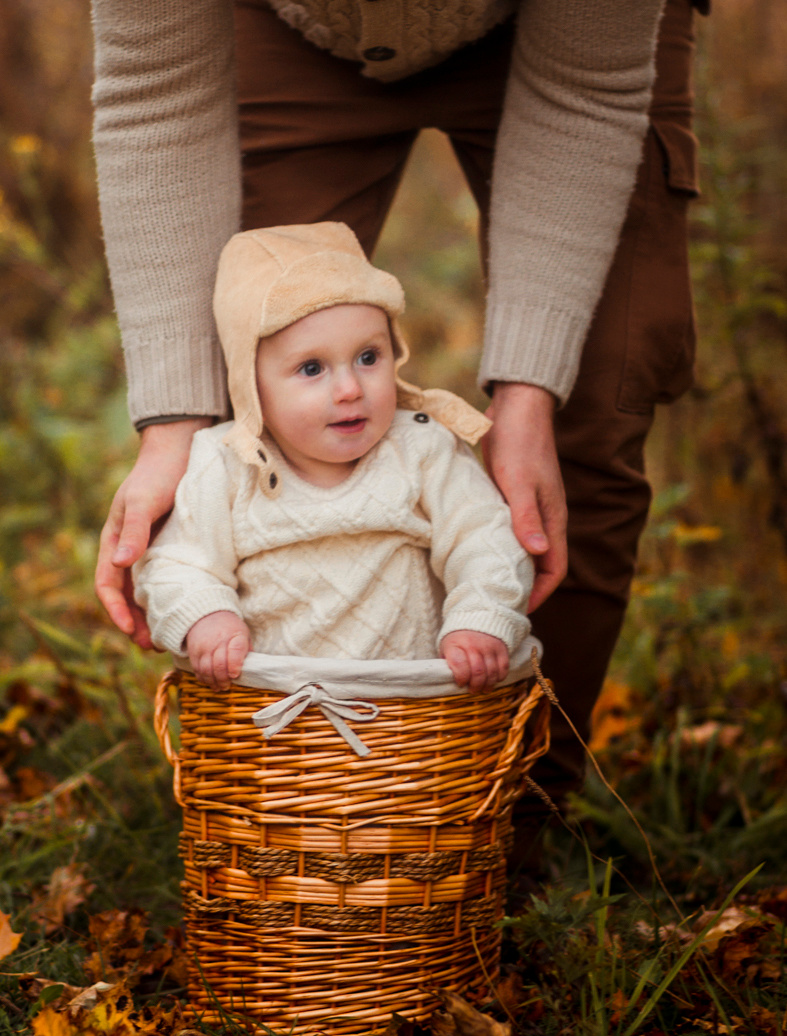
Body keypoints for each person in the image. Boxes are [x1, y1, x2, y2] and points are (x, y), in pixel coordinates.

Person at [91, 0, 701, 798]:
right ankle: (286, 805)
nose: (349, 390)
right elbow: (152, 91)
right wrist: (174, 423)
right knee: (250, 395)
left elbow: (584, 91)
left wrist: (528, 396)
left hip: (574, 53)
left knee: (591, 402)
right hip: (284, 27)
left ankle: (504, 819)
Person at [134, 222, 533, 693]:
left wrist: (479, 617)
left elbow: (484, 539)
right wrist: (206, 615)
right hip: (274, 716)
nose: (349, 390)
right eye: (311, 368)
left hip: (417, 710)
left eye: (368, 357)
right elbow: (178, 563)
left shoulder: (422, 449)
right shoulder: (225, 465)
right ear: (249, 384)